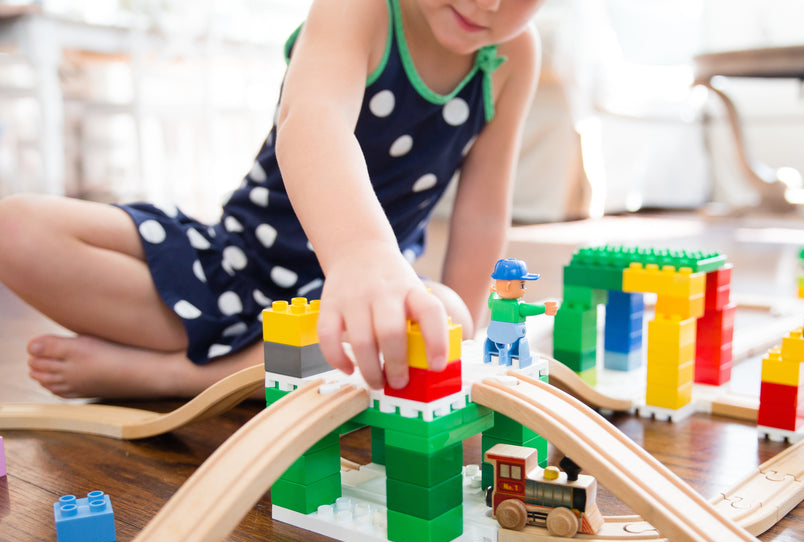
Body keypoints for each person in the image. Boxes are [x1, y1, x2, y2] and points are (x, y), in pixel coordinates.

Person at [0, 0, 543, 399]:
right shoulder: (363, 8)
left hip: (349, 311)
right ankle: (237, 371)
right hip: (236, 263)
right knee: (15, 229)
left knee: (442, 315)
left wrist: (462, 344)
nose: (488, 2)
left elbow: (481, 213)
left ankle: (173, 378)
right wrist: (360, 252)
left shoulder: (515, 54)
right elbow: (312, 123)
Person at [483, 258, 557, 367]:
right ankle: (521, 358)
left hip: (494, 335)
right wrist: (545, 308)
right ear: (508, 286)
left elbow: (491, 301)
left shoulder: (495, 302)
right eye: (522, 285)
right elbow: (531, 309)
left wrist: (493, 293)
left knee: (496, 342)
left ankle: (492, 355)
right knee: (521, 342)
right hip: (513, 336)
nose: (525, 289)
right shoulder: (518, 306)